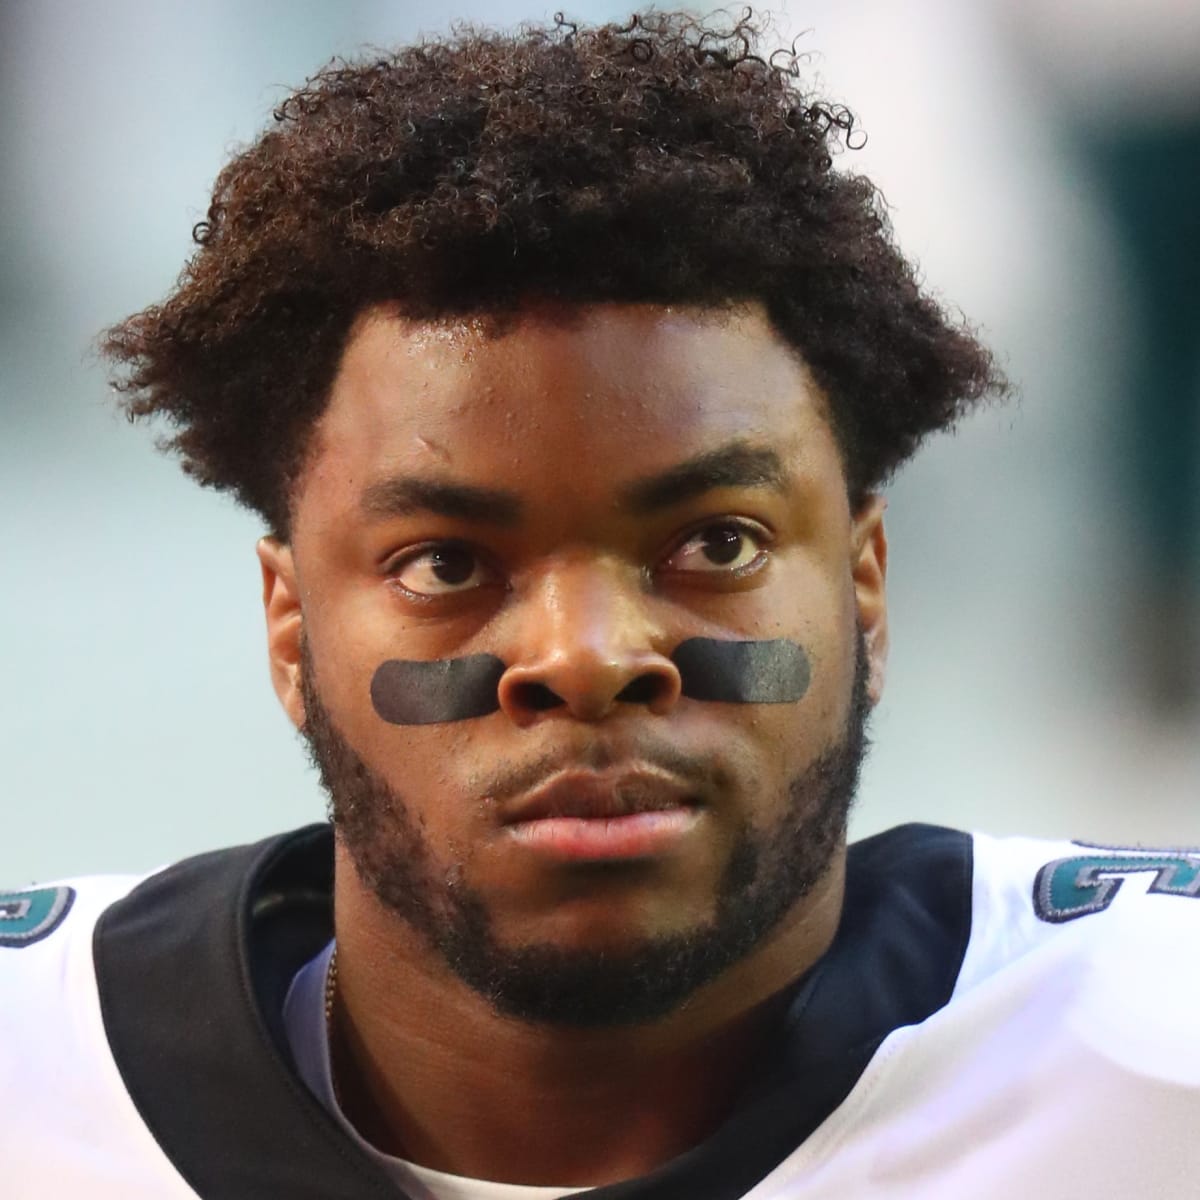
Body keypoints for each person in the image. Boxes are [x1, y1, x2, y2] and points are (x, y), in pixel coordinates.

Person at [3, 13, 1197, 1199]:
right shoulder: (36, 1080)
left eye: (715, 543)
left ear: (864, 585)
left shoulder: (1157, 1057)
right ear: (289, 625)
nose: (585, 658)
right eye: (447, 566)